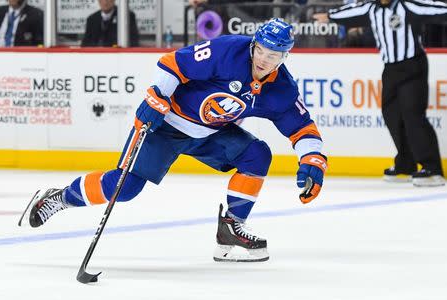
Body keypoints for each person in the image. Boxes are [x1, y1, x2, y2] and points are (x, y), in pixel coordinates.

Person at [19, 19, 327, 262]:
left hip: (210, 134)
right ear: (254, 44)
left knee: (257, 155)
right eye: (260, 49)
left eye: (272, 55)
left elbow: (301, 127)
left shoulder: (281, 88)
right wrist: (156, 97)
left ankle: (230, 229)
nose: (263, 58)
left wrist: (313, 159)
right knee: (124, 188)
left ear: (284, 56)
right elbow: (173, 63)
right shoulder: (228, 50)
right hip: (167, 126)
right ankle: (59, 198)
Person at [314, 0, 446, 187]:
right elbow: (351, 11)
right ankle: (406, 164)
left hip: (413, 66)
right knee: (391, 114)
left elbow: (435, 8)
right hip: (390, 69)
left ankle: (433, 169)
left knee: (413, 116)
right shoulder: (371, 8)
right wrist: (330, 16)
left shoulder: (408, 5)